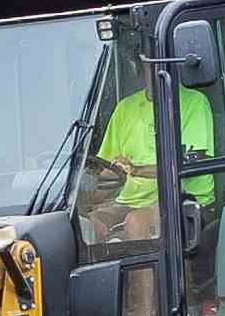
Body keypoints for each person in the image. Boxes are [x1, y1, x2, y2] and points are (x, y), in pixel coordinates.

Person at [82, 81, 216, 243]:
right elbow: (108, 168)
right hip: (129, 201)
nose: (149, 66)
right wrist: (87, 194)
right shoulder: (125, 108)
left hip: (180, 198)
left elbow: (191, 161)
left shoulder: (194, 101)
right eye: (145, 59)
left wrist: (137, 170)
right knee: (88, 224)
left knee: (136, 222)